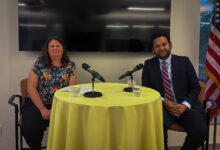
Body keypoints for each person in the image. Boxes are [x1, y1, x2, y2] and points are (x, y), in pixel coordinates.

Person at [141, 32, 208, 150]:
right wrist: (163, 102)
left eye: (164, 44)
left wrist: (185, 105)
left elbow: (195, 87)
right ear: (153, 50)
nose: (161, 48)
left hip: (186, 106)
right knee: (156, 130)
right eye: (157, 46)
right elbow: (147, 90)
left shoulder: (184, 61)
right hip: (164, 108)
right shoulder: (148, 65)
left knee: (201, 132)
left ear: (170, 45)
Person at [22, 36, 77, 149]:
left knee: (72, 127)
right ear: (47, 49)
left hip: (60, 104)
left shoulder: (71, 65)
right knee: (30, 130)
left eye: (58, 46)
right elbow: (31, 88)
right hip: (36, 103)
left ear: (63, 48)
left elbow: (72, 89)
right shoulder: (39, 63)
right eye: (52, 46)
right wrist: (43, 109)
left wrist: (54, 109)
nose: (55, 48)